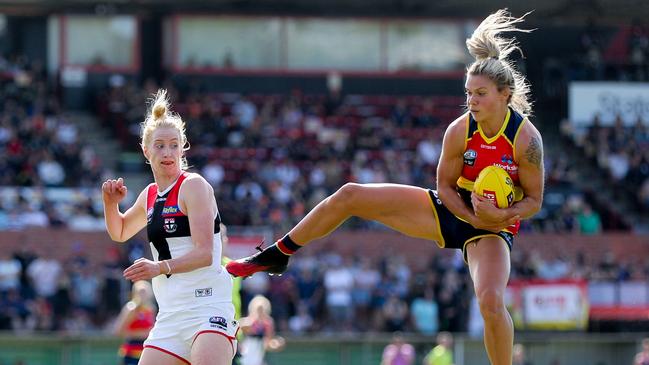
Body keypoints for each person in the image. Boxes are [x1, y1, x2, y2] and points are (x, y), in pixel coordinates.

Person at [227, 9, 543, 365]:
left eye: (480, 94)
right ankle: (278, 253)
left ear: (504, 94)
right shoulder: (459, 130)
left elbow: (533, 201)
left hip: (493, 226)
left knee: (489, 301)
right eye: (468, 93)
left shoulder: (525, 139)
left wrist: (499, 216)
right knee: (349, 195)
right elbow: (444, 186)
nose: (471, 101)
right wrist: (471, 213)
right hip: (454, 208)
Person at [102, 89, 238, 365]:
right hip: (170, 316)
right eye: (160, 145)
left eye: (175, 145)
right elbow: (119, 232)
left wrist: (159, 268)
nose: (168, 153)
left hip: (207, 308)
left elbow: (204, 254)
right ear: (145, 149)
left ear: (183, 147)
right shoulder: (150, 194)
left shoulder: (193, 186)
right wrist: (110, 204)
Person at [113, 280, 156, 365]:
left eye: (145, 291)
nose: (143, 295)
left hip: (145, 352)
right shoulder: (131, 308)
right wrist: (141, 334)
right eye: (141, 291)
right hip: (131, 353)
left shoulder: (151, 309)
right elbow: (118, 331)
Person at [238, 295, 285, 365]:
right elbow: (239, 331)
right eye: (258, 310)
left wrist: (275, 344)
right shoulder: (247, 322)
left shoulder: (268, 323)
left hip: (259, 356)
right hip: (245, 355)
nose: (260, 313)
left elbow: (267, 343)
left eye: (262, 310)